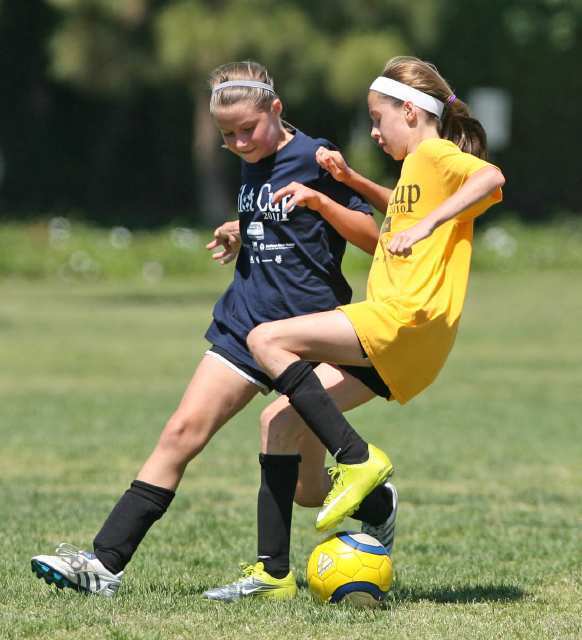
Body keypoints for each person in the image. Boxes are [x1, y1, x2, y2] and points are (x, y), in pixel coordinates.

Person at [30, 60, 397, 598]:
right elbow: (277, 219)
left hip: (310, 333)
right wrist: (241, 228)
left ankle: (376, 502)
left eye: (247, 130)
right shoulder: (252, 155)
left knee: (307, 489)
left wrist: (321, 198)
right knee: (181, 433)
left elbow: (372, 238)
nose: (239, 143)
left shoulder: (315, 157)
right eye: (227, 136)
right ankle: (104, 565)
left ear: (277, 110)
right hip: (244, 322)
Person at [203, 55, 504, 601]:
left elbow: (490, 178)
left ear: (409, 112)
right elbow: (398, 215)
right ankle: (279, 569)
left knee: (266, 338)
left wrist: (433, 223)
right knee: (279, 426)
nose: (373, 130)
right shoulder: (417, 167)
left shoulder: (436, 153)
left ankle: (359, 459)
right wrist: (348, 181)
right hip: (409, 336)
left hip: (402, 319)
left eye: (377, 118)